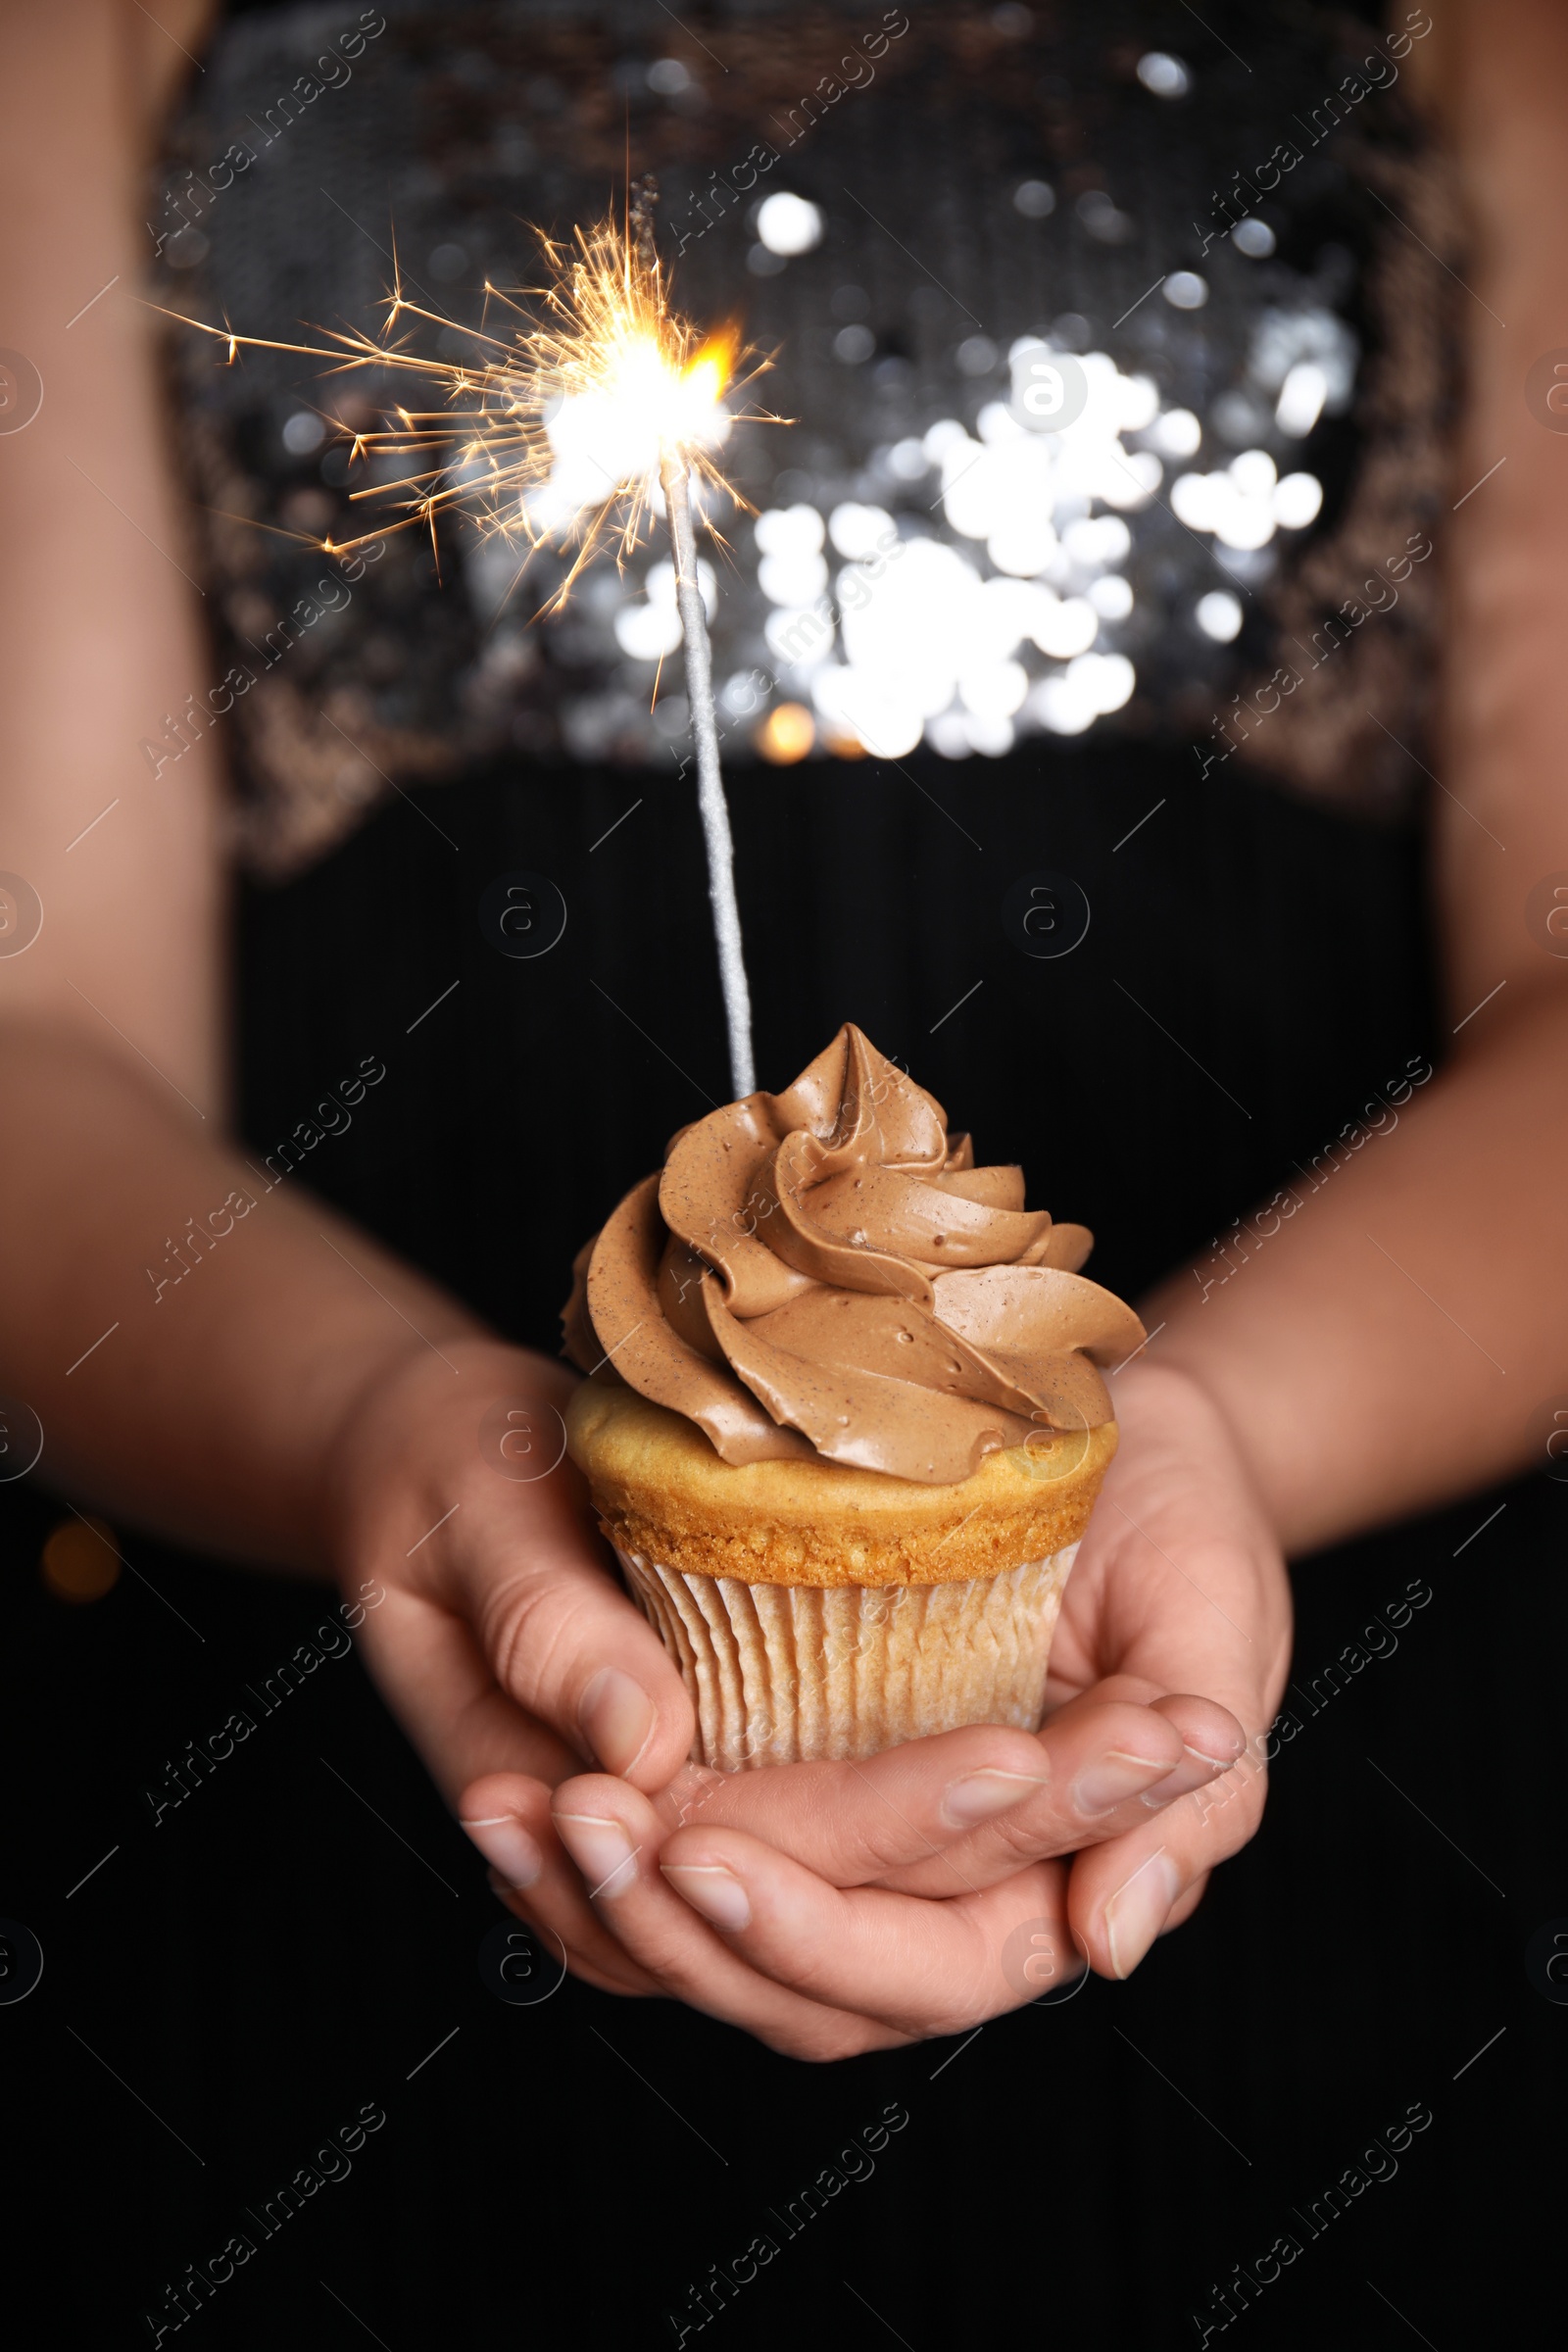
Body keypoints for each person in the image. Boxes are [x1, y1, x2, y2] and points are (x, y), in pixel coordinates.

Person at [0, 0, 1557, 2159]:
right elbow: (27, 1037)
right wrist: (391, 1438)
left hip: (1347, 1776)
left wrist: (1211, 1433)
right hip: (328, 1850)